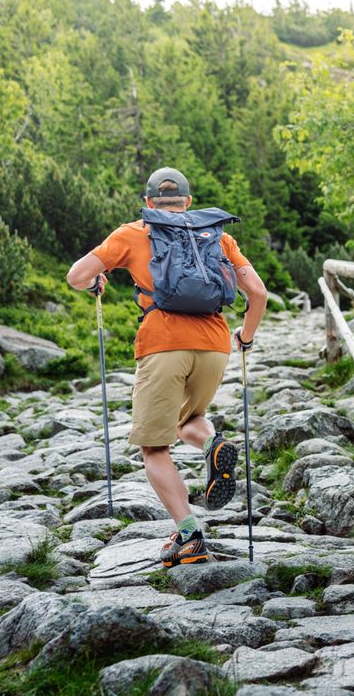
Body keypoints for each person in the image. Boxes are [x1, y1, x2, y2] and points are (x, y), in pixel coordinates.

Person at [66, 167, 267, 567]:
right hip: (213, 345)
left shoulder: (134, 232)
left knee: (154, 447)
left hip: (162, 345)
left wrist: (94, 284)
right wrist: (244, 338)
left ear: (148, 204)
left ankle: (189, 536)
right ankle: (213, 444)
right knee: (191, 418)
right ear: (189, 203)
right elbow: (258, 293)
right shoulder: (219, 236)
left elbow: (77, 276)